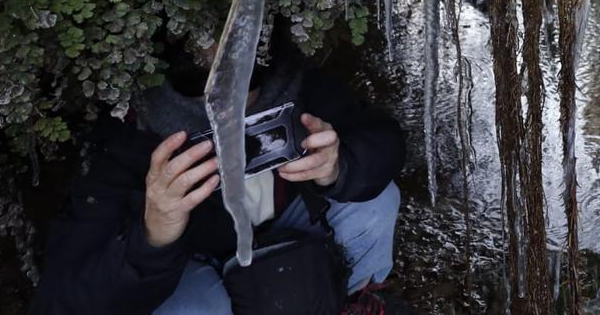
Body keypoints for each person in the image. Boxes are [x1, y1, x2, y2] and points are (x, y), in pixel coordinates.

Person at [30, 33, 406, 315]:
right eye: (197, 76)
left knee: (375, 202)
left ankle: (350, 299)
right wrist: (152, 236)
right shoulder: (127, 137)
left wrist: (339, 166)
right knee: (193, 309)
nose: (226, 95)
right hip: (191, 263)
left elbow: (384, 138)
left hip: (283, 228)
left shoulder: (296, 88)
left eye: (245, 71)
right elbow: (63, 299)